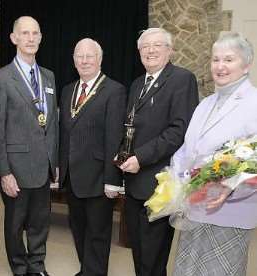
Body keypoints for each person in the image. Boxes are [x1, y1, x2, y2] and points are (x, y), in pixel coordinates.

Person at [171, 32, 257, 276]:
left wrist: (230, 185)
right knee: (188, 270)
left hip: (230, 210)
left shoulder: (254, 102)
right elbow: (187, 149)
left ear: (246, 64)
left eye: (228, 60)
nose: (220, 66)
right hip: (195, 207)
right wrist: (175, 179)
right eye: (215, 59)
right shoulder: (205, 103)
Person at [114, 27, 199, 276]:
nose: (150, 51)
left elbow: (178, 130)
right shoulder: (138, 83)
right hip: (134, 183)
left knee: (154, 257)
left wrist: (140, 157)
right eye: (144, 47)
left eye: (157, 45)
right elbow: (130, 128)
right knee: (139, 253)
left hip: (160, 184)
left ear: (169, 50)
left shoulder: (182, 79)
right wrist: (122, 154)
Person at [0, 16, 58, 276]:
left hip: (43, 166)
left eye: (35, 33)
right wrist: (4, 171)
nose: (30, 38)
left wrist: (55, 162)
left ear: (41, 38)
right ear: (14, 38)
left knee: (40, 223)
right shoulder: (2, 77)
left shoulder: (49, 76)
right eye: (25, 33)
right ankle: (19, 268)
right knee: (14, 225)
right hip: (16, 169)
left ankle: (36, 267)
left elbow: (52, 123)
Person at [59, 38, 126, 276]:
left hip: (100, 178)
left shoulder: (114, 90)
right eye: (79, 56)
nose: (84, 60)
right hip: (72, 177)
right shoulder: (68, 90)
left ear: (100, 59)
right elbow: (64, 134)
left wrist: (113, 179)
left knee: (98, 234)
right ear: (74, 60)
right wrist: (60, 168)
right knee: (78, 229)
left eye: (90, 56)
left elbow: (115, 138)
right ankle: (86, 270)